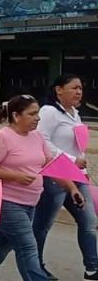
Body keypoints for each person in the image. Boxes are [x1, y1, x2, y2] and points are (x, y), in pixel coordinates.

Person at [0, 94, 84, 281]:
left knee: (2, 243)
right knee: (27, 247)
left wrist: (72, 188)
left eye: (37, 113)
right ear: (16, 116)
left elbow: (50, 165)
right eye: (32, 114)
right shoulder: (1, 137)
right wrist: (15, 176)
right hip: (5, 202)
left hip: (29, 202)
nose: (37, 118)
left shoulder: (37, 136)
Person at [33, 74, 98, 280]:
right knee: (43, 226)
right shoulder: (49, 112)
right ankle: (35, 267)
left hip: (77, 176)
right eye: (73, 88)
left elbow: (76, 143)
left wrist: (80, 161)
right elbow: (41, 140)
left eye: (80, 88)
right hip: (55, 176)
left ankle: (92, 268)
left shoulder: (74, 114)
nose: (78, 92)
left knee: (89, 222)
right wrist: (70, 159)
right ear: (58, 89)